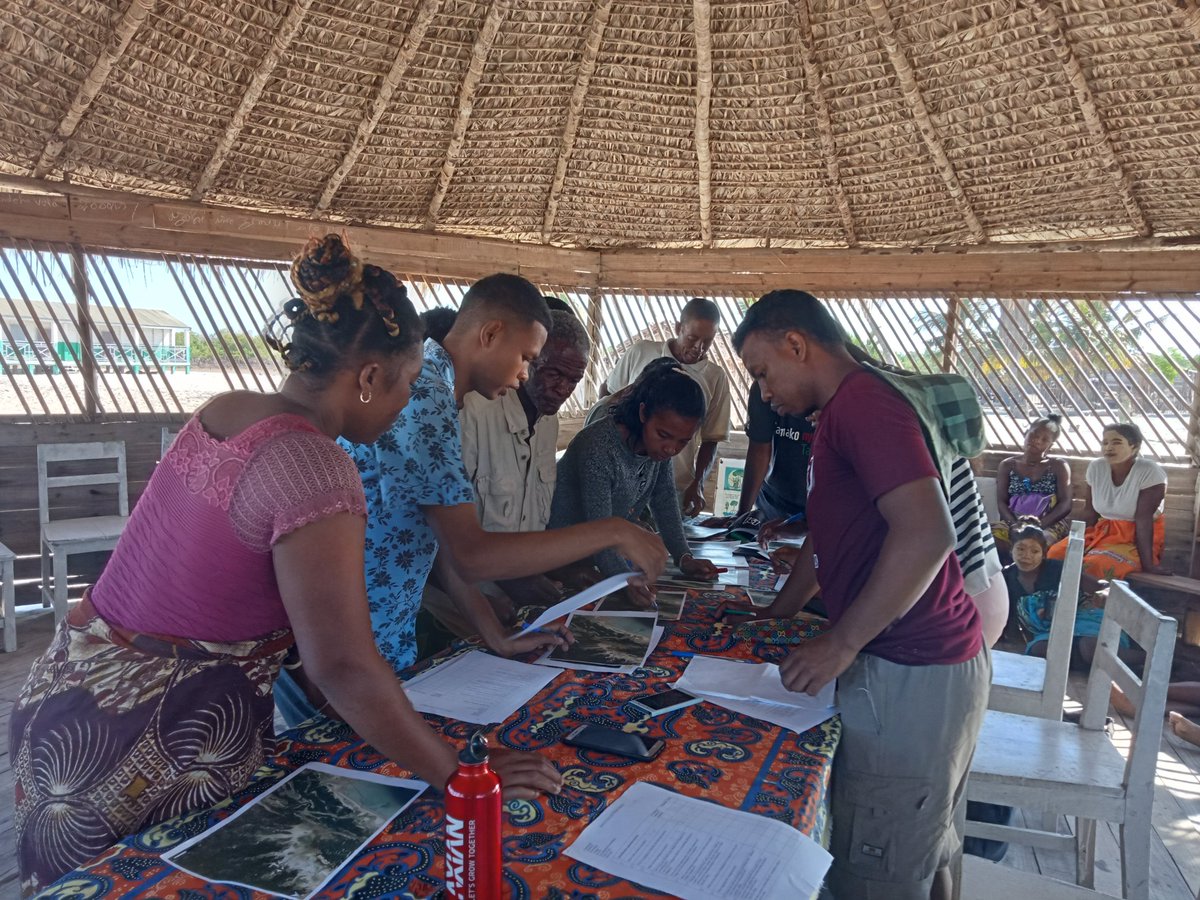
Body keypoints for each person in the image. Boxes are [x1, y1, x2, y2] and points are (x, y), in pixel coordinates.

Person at [8, 235, 563, 895]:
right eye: (409, 384)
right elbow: (344, 665)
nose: (406, 404)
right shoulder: (318, 468)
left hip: (68, 707)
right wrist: (456, 771)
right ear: (367, 378)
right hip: (144, 746)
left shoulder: (225, 409)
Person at [733, 289, 989, 900]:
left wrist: (842, 641)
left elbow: (928, 535)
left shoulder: (865, 405)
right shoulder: (839, 412)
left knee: (881, 869)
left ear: (797, 344)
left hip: (913, 670)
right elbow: (830, 536)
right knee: (917, 846)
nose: (763, 392)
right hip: (917, 665)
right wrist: (781, 612)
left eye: (763, 372)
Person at [330, 273, 666, 682]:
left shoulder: (438, 395)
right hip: (351, 651)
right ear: (490, 334)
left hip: (381, 640)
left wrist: (497, 636)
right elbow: (472, 556)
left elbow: (442, 542)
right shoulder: (426, 398)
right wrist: (613, 531)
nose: (526, 373)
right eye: (525, 357)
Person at [419, 306, 591, 644]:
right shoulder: (461, 409)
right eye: (553, 373)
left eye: (574, 380)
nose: (563, 389)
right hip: (445, 615)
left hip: (509, 617)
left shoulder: (549, 423)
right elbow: (438, 536)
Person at [551, 359, 724, 604]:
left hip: (595, 554)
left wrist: (684, 557)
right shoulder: (598, 447)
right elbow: (601, 532)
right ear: (643, 413)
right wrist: (625, 581)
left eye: (683, 442)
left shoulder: (656, 449)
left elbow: (664, 501)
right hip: (557, 554)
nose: (671, 449)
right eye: (664, 435)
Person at [599, 297, 731, 516]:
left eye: (707, 341)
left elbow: (711, 439)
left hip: (673, 486)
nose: (699, 347)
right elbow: (608, 395)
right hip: (623, 480)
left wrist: (697, 483)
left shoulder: (715, 377)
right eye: (692, 337)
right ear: (678, 327)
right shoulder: (641, 352)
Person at [1047, 422, 1168, 581]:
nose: (1108, 447)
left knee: (1096, 564)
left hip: (1134, 538)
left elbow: (1143, 519)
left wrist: (1149, 565)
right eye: (1105, 442)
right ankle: (1055, 600)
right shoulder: (1096, 468)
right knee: (1055, 554)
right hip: (1101, 532)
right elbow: (1090, 511)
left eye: (1116, 442)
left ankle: (1090, 604)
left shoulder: (1150, 472)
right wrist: (1076, 540)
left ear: (1135, 446)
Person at [1004, 517, 1108, 655]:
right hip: (1046, 634)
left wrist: (1105, 592)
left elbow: (1100, 586)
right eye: (1020, 549)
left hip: (1080, 623)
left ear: (1044, 554)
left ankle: (1143, 662)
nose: (1026, 556)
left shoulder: (1056, 569)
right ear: (1011, 551)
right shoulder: (1005, 577)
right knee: (1037, 650)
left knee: (1089, 647)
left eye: (1034, 551)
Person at [993, 415, 1073, 552]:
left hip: (1049, 522)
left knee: (1039, 544)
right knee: (990, 540)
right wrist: (1015, 525)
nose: (1037, 440)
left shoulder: (1058, 466)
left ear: (1051, 445)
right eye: (1034, 434)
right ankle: (1007, 572)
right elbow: (1001, 502)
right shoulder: (1008, 465)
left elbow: (1065, 504)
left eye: (1044, 439)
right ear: (1026, 433)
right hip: (1014, 521)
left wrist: (1039, 525)